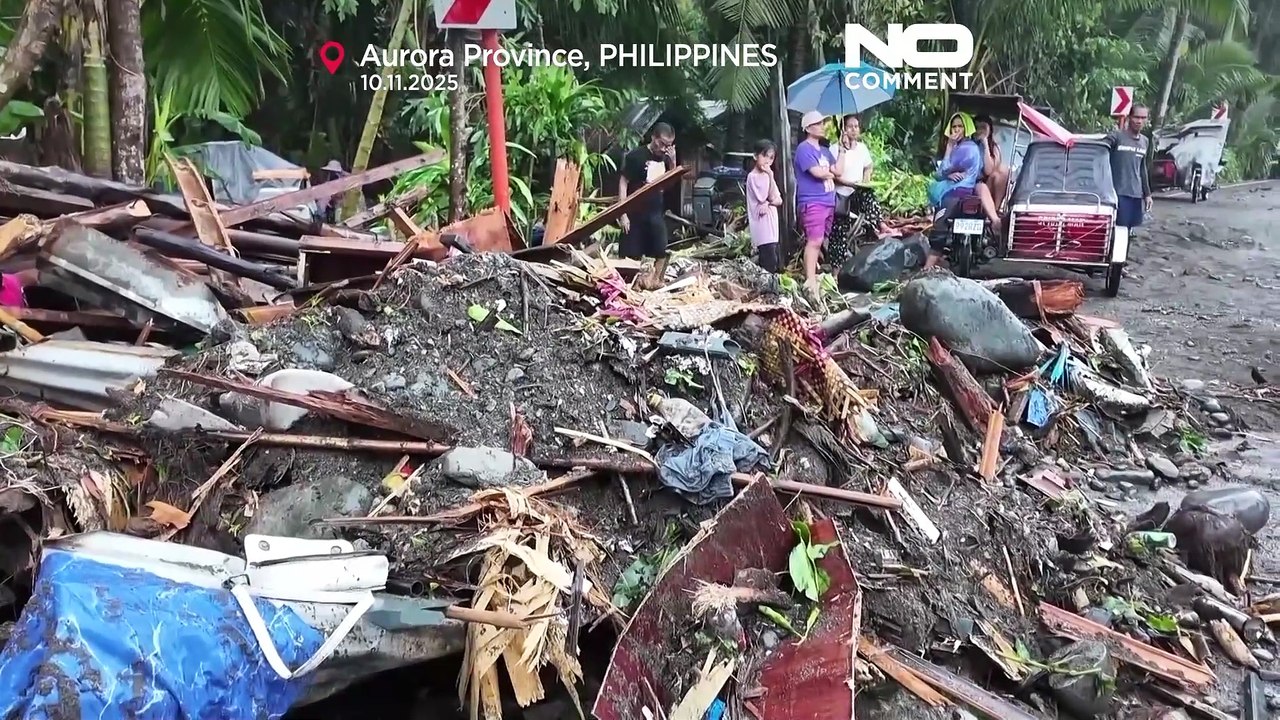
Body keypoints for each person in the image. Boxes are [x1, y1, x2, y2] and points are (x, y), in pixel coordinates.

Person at [827, 114, 893, 266]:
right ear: (843, 129)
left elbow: (868, 166)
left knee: (868, 193)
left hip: (857, 193)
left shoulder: (862, 148)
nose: (854, 130)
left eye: (856, 126)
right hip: (839, 196)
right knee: (838, 233)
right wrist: (849, 183)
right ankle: (835, 272)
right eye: (850, 126)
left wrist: (866, 179)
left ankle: (880, 225)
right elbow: (832, 175)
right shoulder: (834, 149)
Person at [619, 122, 678, 289]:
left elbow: (670, 183)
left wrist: (673, 162)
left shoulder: (666, 158)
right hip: (634, 212)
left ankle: (655, 281)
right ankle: (631, 285)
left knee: (660, 248)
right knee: (632, 252)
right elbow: (624, 182)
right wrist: (622, 212)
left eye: (668, 145)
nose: (663, 148)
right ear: (653, 137)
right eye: (661, 144)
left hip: (655, 211)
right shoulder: (636, 156)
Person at [924, 131, 986, 269]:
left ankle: (927, 269)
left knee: (939, 229)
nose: (956, 131)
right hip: (963, 193)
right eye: (953, 127)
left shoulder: (965, 148)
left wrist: (949, 148)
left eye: (959, 127)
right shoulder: (971, 147)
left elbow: (941, 172)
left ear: (967, 129)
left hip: (954, 194)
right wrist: (948, 174)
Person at [794, 110, 838, 294]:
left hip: (828, 200)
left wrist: (842, 149)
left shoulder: (826, 151)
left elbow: (838, 170)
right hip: (813, 201)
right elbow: (818, 173)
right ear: (808, 128)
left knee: (821, 240)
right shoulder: (804, 149)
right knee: (814, 240)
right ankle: (810, 281)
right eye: (818, 124)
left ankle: (814, 273)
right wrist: (828, 172)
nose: (822, 127)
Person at [1105, 105, 1153, 234]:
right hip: (1118, 193)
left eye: (1143, 118)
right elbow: (1100, 153)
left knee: (1129, 231)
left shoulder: (1145, 141)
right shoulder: (1116, 137)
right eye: (1136, 117)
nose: (1139, 121)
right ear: (1129, 118)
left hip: (1136, 194)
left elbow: (1142, 168)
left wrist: (1147, 194)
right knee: (1118, 230)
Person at [746, 139, 783, 273]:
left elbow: (778, 199)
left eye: (771, 158)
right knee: (768, 261)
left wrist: (771, 176)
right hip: (762, 225)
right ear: (755, 156)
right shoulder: (753, 177)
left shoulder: (768, 176)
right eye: (765, 156)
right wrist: (769, 201)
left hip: (772, 224)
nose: (768, 161)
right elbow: (763, 196)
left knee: (774, 258)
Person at [973, 114, 1011, 213]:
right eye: (977, 127)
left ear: (990, 129)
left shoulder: (993, 147)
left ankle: (996, 210)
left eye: (983, 127)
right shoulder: (968, 145)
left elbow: (989, 171)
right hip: (972, 183)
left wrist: (985, 143)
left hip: (987, 184)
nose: (980, 130)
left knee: (1002, 171)